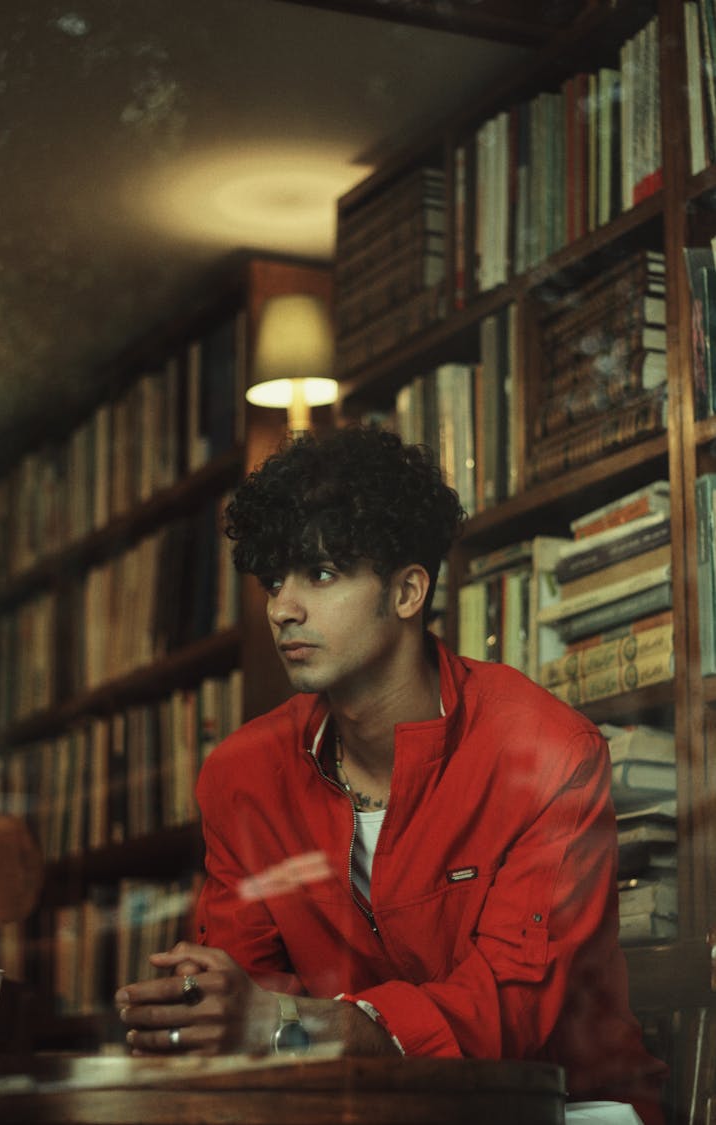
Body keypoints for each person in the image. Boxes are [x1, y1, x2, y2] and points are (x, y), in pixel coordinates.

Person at [116, 426, 667, 1123]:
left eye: (319, 574)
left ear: (408, 591)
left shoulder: (548, 751)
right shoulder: (242, 774)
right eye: (272, 579)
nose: (282, 607)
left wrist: (294, 1024)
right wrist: (198, 1008)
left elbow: (509, 1007)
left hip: (559, 1108)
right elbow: (247, 992)